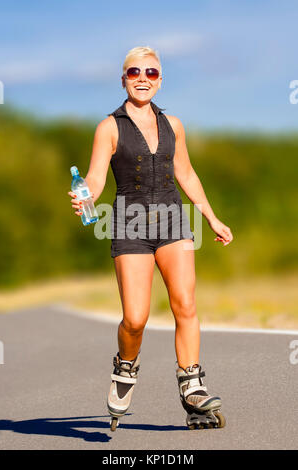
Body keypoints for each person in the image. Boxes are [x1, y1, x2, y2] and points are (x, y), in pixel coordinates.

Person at [68, 46, 233, 431]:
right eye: (135, 72)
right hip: (129, 225)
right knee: (135, 318)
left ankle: (192, 386)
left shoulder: (173, 124)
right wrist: (87, 195)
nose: (143, 78)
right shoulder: (109, 127)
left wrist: (210, 216)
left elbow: (187, 174)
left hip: (174, 222)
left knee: (185, 304)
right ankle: (125, 368)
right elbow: (94, 176)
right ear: (123, 79)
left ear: (160, 80)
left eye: (152, 73)